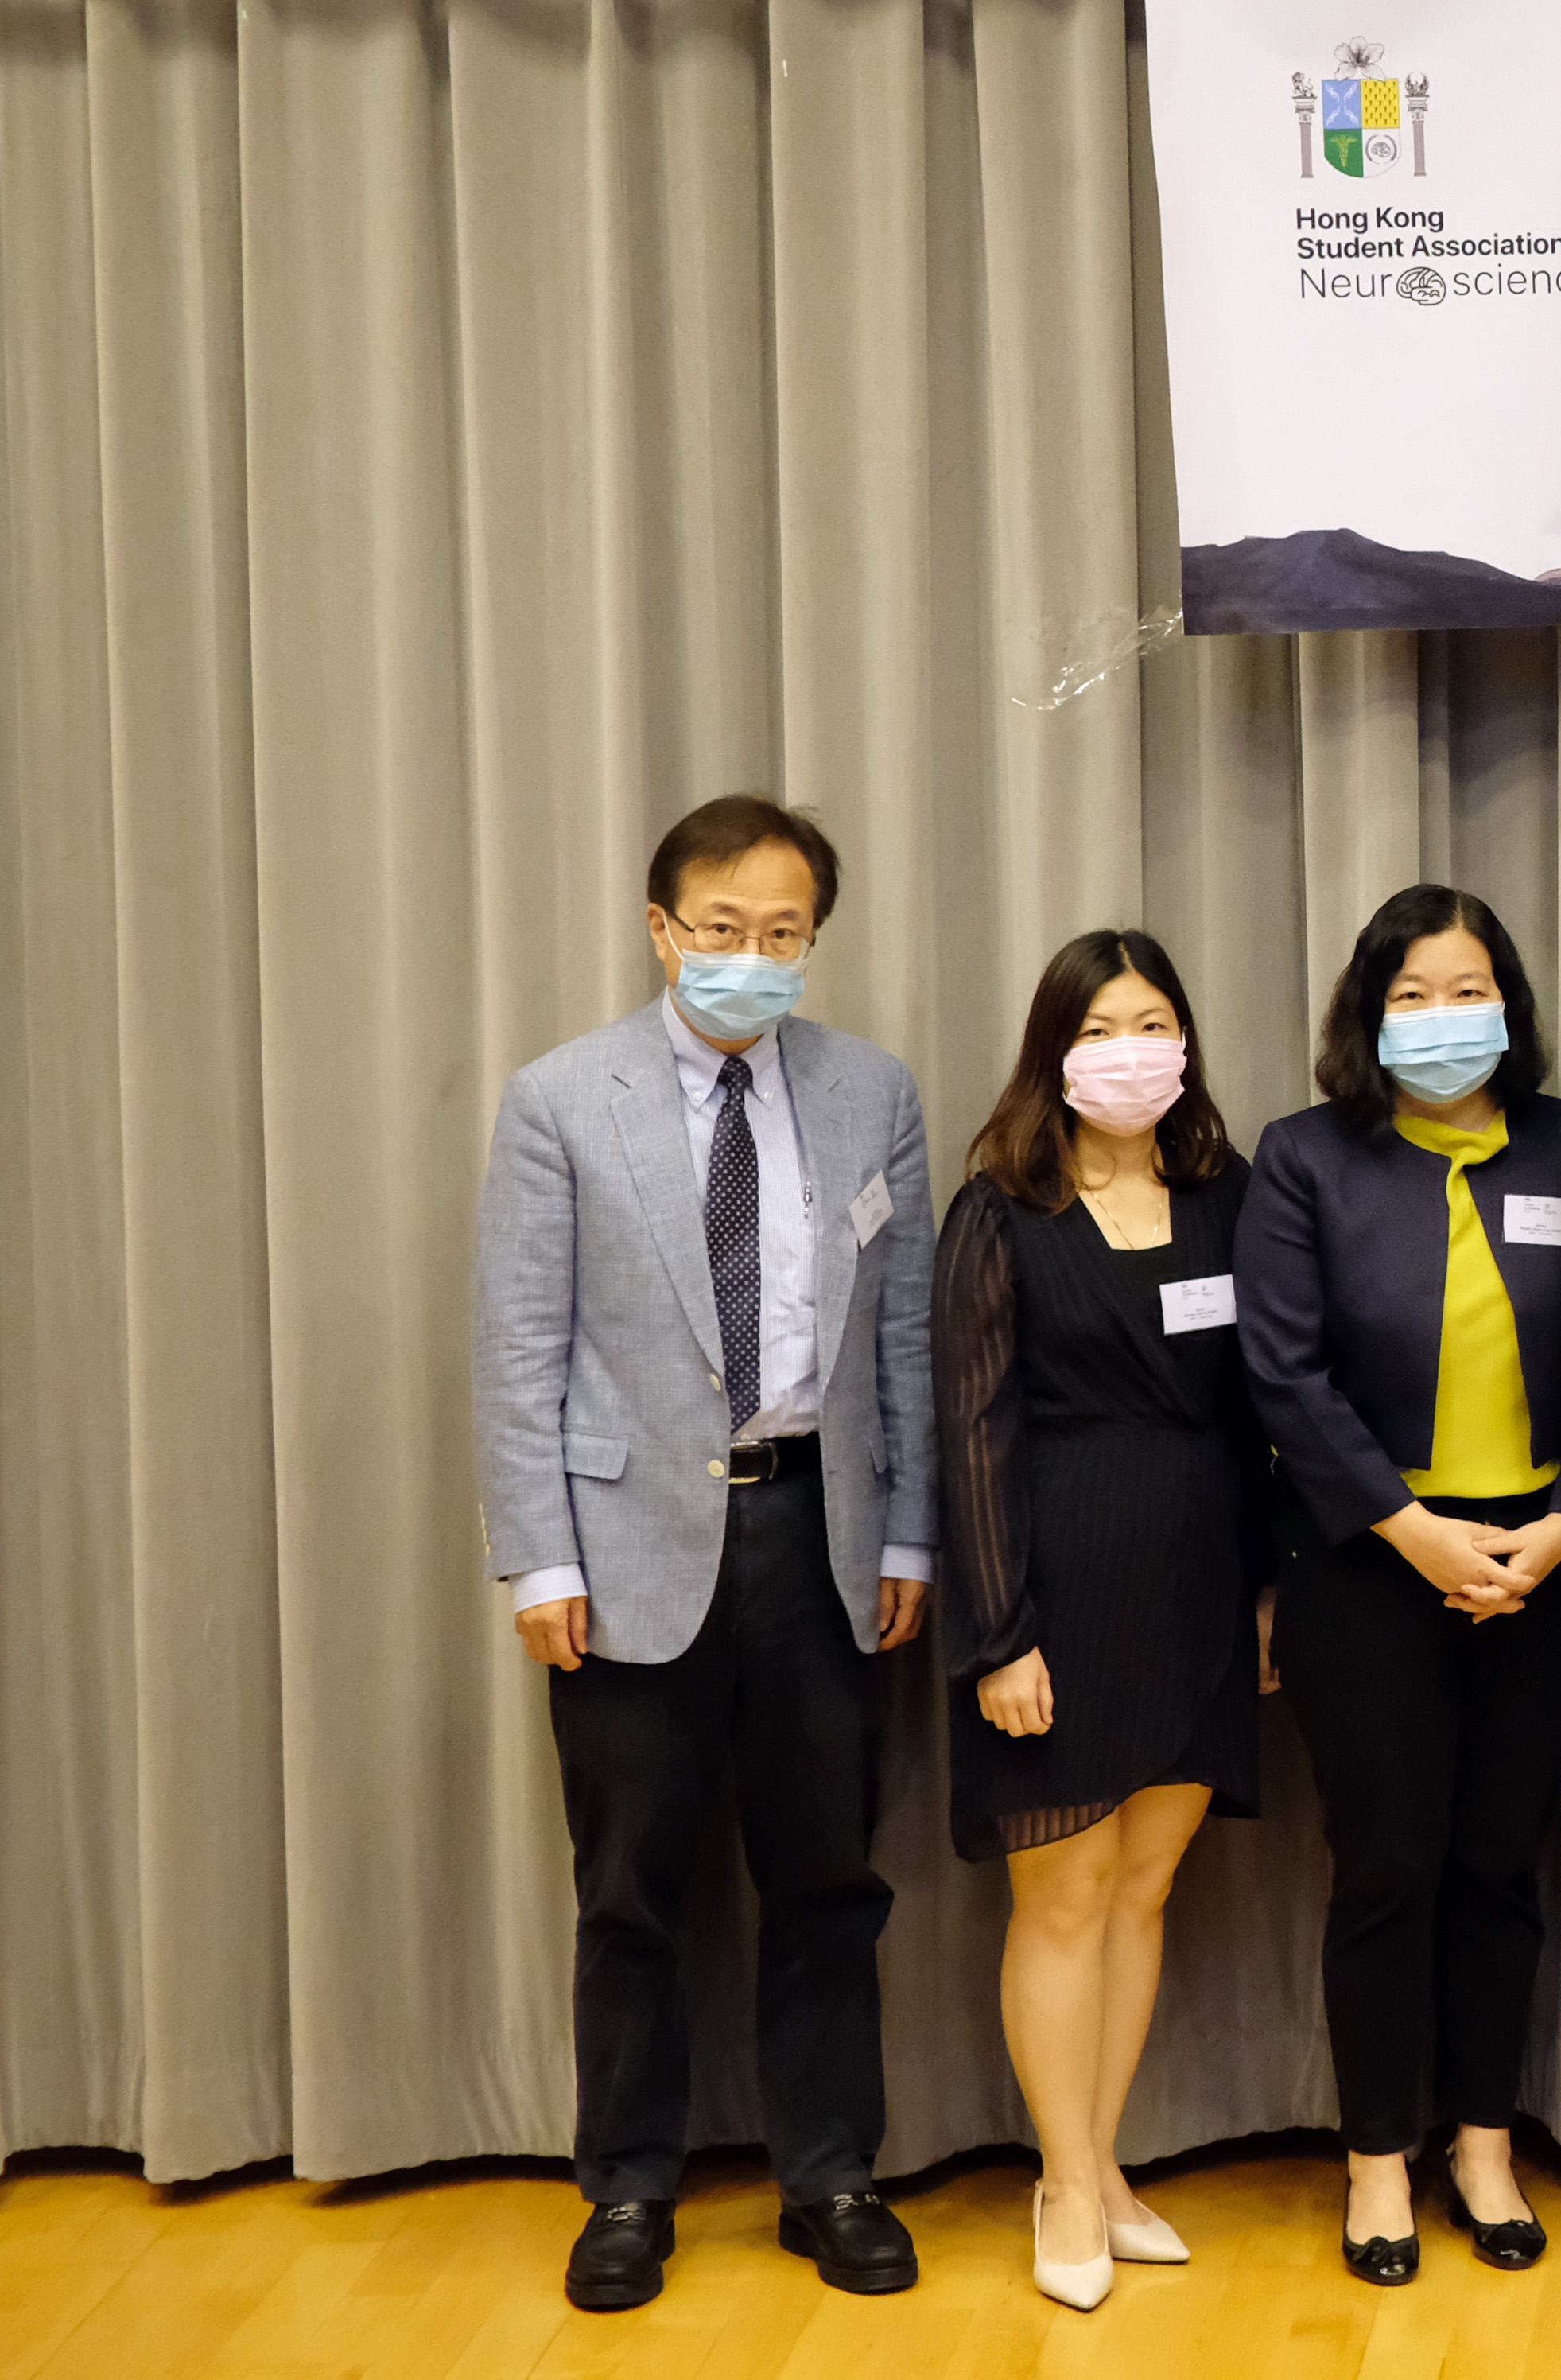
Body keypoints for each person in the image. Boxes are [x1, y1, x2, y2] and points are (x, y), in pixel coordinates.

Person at [468, 795, 934, 2312]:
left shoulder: (873, 1094)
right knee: (631, 1887)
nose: (751, 956)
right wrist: (538, 1559)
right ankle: (626, 2187)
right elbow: (518, 1346)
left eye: (783, 934)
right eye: (722, 929)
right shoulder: (560, 1098)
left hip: (820, 1525)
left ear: (814, 942)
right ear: (663, 927)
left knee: (827, 1876)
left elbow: (905, 1339)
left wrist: (909, 1522)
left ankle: (832, 2171)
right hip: (624, 1543)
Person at [1236, 887, 1561, 2289]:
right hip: (1368, 1567)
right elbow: (1281, 1372)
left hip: (1547, 1562)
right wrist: (1415, 1532)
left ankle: (1481, 2142)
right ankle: (1378, 2160)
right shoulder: (1306, 1158)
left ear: (1510, 1005)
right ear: (1370, 1012)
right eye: (1413, 994)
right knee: (1388, 1865)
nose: (1444, 1017)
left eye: (1468, 989)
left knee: (1498, 1861)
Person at [930, 931, 1274, 2309]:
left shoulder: (1227, 1193)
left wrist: (1262, 1592)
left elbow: (1267, 1414)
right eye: (1101, 1026)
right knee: (1062, 1893)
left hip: (1199, 1585)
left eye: (1154, 1021)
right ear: (1054, 1052)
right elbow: (967, 1431)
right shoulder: (999, 1210)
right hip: (1055, 1588)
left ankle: (1108, 2157)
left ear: (1184, 1043)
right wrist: (1000, 1635)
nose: (1131, 1047)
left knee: (1145, 1885)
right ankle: (1062, 2180)